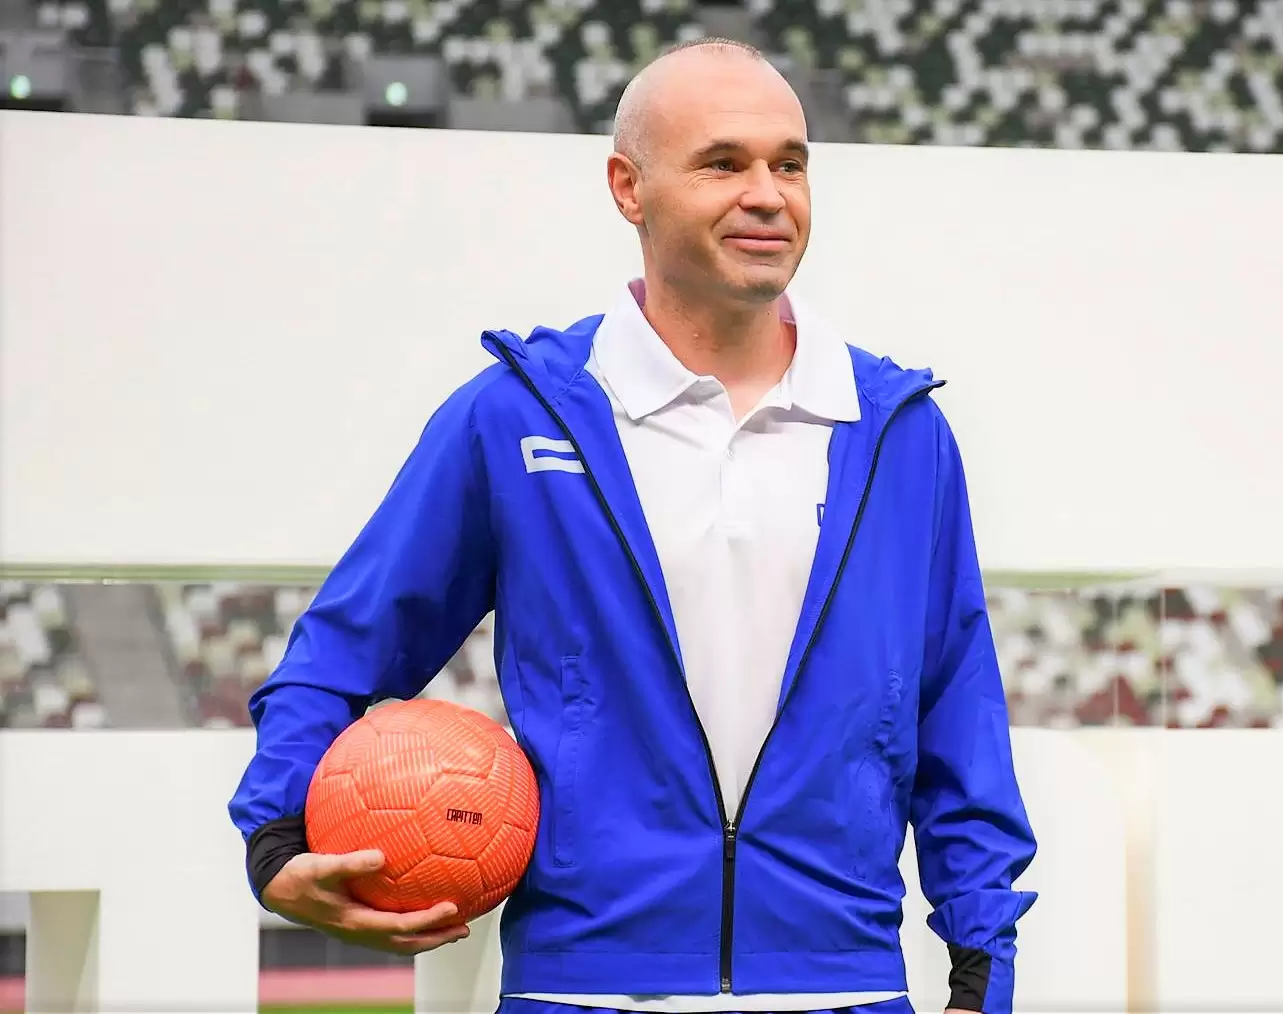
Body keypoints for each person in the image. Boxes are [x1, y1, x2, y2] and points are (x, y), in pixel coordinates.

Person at [227, 37, 1037, 1014]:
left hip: (848, 984)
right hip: (582, 990)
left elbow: (957, 712)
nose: (768, 195)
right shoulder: (519, 416)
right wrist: (276, 837)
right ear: (628, 188)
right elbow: (345, 646)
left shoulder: (900, 431)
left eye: (789, 164)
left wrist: (981, 971)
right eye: (723, 163)